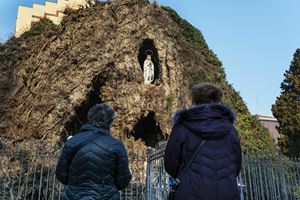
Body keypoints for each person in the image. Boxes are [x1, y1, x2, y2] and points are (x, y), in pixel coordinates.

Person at [164, 83, 242, 200]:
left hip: (190, 191)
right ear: (217, 100)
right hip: (227, 192)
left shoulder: (182, 127)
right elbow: (237, 165)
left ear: (194, 100)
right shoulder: (230, 129)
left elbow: (170, 164)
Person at [56, 103, 132, 200]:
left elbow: (60, 174)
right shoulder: (116, 145)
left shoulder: (72, 142)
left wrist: (75, 185)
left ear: (89, 118)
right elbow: (124, 179)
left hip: (73, 195)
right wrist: (107, 187)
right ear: (110, 122)